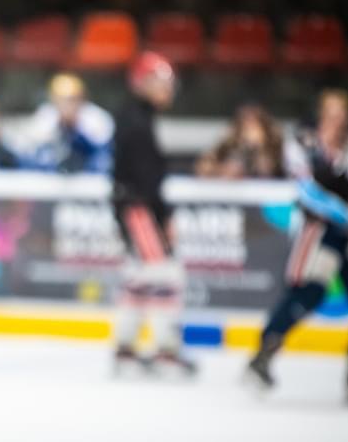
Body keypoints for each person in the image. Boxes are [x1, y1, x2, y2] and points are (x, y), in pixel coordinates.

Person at [246, 88, 348, 403]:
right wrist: (344, 212)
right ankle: (265, 352)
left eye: (341, 112)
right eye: (330, 112)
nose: (336, 119)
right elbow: (305, 188)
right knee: (307, 290)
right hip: (319, 230)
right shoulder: (304, 142)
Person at [111, 52, 196, 375]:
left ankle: (125, 351)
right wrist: (162, 217)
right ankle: (165, 352)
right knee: (165, 275)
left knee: (139, 278)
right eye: (161, 83)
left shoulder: (136, 117)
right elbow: (145, 179)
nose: (168, 89)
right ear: (143, 83)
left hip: (135, 208)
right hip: (139, 210)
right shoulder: (136, 121)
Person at [21, 72, 113, 173]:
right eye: (61, 99)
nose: (67, 105)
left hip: (89, 172)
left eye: (72, 99)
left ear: (81, 98)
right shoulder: (45, 116)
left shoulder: (97, 118)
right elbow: (35, 154)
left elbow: (103, 156)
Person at [195, 103, 285, 179]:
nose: (248, 131)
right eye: (244, 126)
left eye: (253, 126)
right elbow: (204, 167)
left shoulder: (273, 147)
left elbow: (266, 170)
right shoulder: (227, 145)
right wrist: (221, 169)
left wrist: (258, 147)